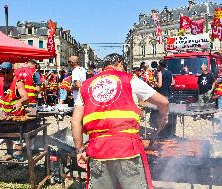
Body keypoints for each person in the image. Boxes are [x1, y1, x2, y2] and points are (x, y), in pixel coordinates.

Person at [71, 53, 169, 189]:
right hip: (127, 149)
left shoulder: (86, 85)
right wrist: (163, 117)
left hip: (98, 151)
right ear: (120, 64)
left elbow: (75, 120)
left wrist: (80, 150)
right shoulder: (129, 80)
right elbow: (163, 101)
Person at [0, 62, 29, 161]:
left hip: (17, 115)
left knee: (16, 136)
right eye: (3, 72)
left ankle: (18, 155)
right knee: (7, 135)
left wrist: (20, 101)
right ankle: (9, 153)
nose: (5, 75)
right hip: (4, 114)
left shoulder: (18, 82)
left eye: (7, 72)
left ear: (12, 71)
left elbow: (26, 97)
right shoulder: (0, 81)